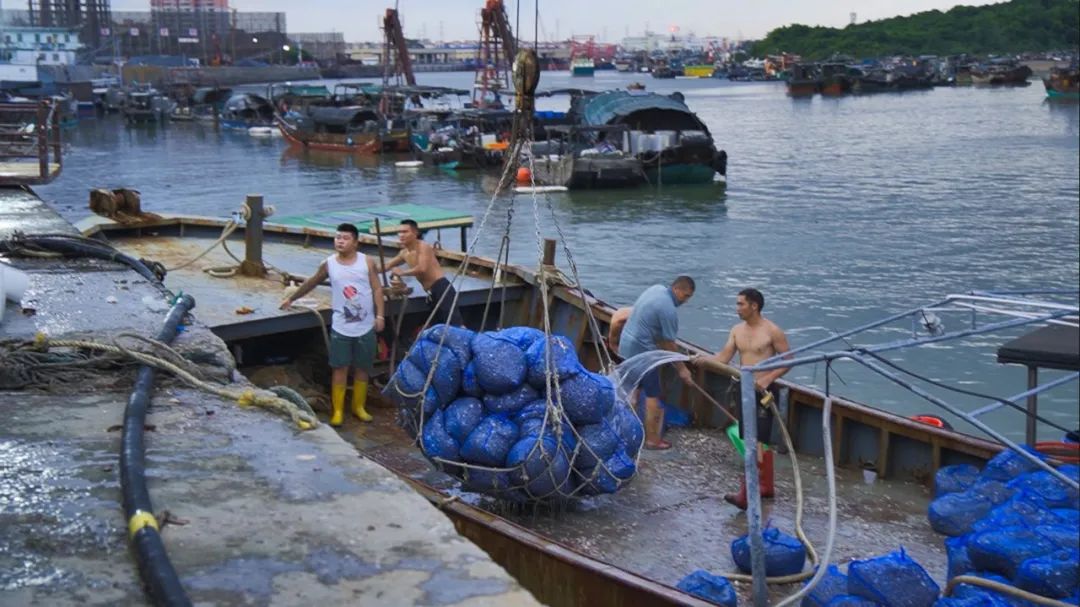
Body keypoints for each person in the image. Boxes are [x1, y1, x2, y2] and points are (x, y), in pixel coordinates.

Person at [280, 223, 385, 427]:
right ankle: (337, 411)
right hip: (341, 326)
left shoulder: (367, 262)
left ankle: (358, 407)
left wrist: (380, 316)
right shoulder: (329, 263)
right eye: (337, 238)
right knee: (340, 368)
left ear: (355, 242)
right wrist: (291, 298)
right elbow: (313, 281)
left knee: (363, 367)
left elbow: (377, 289)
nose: (340, 241)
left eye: (345, 238)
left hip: (365, 325)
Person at [697, 287, 791, 510]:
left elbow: (788, 360)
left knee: (759, 439)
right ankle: (763, 486)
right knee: (747, 437)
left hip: (763, 391)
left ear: (754, 306)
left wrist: (768, 379)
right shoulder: (736, 330)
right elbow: (724, 357)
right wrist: (704, 360)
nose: (737, 308)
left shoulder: (772, 331)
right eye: (737, 304)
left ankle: (752, 490)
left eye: (740, 304)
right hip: (742, 387)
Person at [619, 277, 696, 450]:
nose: (685, 301)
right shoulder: (668, 309)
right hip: (643, 352)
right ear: (677, 289)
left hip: (626, 345)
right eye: (686, 296)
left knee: (633, 392)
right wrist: (683, 370)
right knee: (653, 395)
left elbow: (659, 335)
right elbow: (669, 343)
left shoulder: (656, 289)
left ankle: (624, 432)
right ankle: (652, 439)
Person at [382, 219, 465, 327]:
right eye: (400, 232)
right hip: (431, 293)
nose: (401, 235)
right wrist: (368, 268)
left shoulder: (423, 247)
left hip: (441, 288)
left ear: (415, 233)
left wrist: (402, 273)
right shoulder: (404, 253)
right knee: (439, 326)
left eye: (405, 232)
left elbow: (422, 268)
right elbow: (387, 265)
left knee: (454, 324)